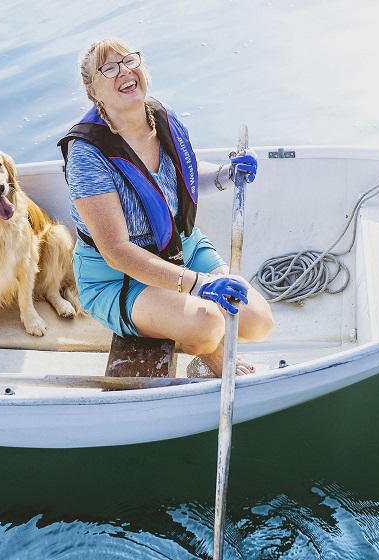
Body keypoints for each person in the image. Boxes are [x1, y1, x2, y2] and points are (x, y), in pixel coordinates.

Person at [58, 37, 274, 377]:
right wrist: (197, 285)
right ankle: (211, 359)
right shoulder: (87, 155)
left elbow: (180, 178)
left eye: (129, 61)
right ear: (93, 92)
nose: (124, 72)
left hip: (179, 248)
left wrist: (226, 174)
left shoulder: (161, 118)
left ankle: (176, 320)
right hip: (119, 277)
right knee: (207, 323)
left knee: (258, 323)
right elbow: (116, 252)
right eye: (109, 68)